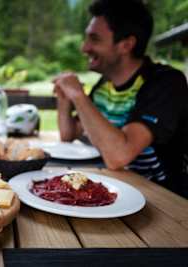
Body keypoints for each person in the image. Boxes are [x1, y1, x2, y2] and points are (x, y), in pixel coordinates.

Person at [53, 0, 188, 197]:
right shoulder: (104, 85)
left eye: (94, 39)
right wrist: (64, 98)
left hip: (162, 200)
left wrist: (78, 95)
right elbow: (69, 134)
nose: (84, 47)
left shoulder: (165, 83)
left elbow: (118, 156)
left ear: (126, 44)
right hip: (114, 188)